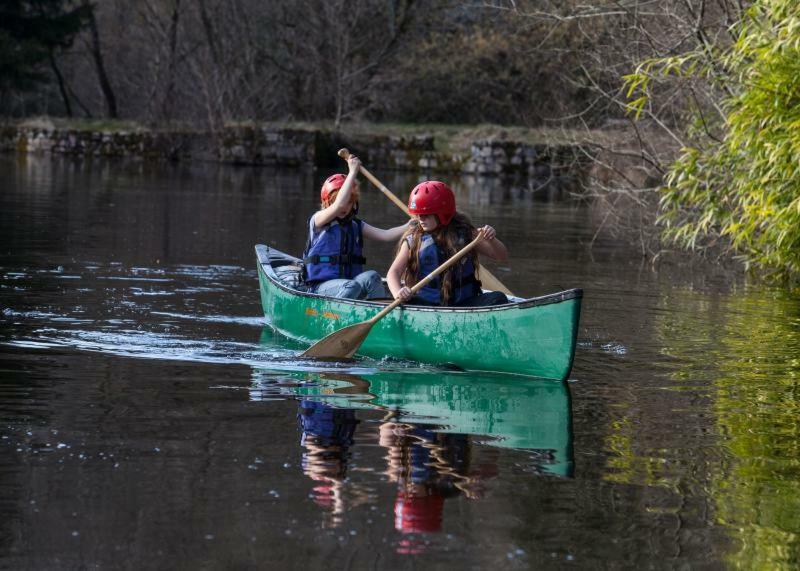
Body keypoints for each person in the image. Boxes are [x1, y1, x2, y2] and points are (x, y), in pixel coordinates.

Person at [386, 180, 510, 307]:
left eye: (426, 215)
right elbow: (393, 273)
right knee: (407, 303)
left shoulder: (465, 233)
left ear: (442, 213)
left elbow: (501, 256)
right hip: (427, 303)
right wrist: (398, 292)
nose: (421, 219)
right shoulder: (413, 240)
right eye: (418, 214)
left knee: (498, 298)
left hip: (464, 303)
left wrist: (492, 240)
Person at [303, 154, 410, 299]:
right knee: (351, 286)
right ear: (328, 203)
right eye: (341, 200)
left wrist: (410, 225)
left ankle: (376, 314)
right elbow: (338, 205)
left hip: (348, 285)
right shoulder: (318, 221)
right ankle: (337, 315)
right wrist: (352, 172)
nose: (344, 206)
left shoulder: (355, 225)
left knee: (373, 276)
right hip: (320, 287)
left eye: (350, 201)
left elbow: (386, 235)